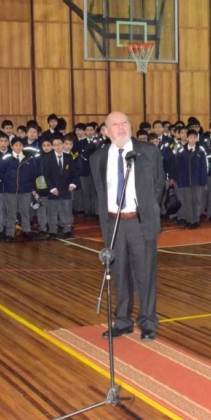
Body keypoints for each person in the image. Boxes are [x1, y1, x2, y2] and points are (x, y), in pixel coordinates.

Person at [91, 111, 164, 341]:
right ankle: (122, 321)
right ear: (106, 131)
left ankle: (148, 323)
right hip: (113, 223)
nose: (121, 127)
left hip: (139, 222)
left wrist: (147, 210)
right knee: (118, 274)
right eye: (115, 124)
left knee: (145, 274)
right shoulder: (98, 158)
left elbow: (159, 185)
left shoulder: (148, 151)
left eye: (125, 123)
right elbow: (99, 192)